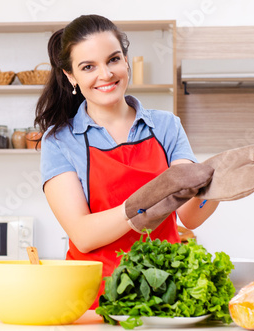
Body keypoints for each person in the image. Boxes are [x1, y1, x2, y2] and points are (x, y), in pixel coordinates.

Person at [34, 14, 219, 308]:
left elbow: (190, 215)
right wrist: (138, 208)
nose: (105, 74)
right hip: (95, 297)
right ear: (71, 76)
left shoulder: (166, 126)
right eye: (88, 67)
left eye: (113, 59)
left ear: (126, 60)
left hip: (164, 293)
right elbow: (82, 235)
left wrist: (216, 188)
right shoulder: (60, 141)